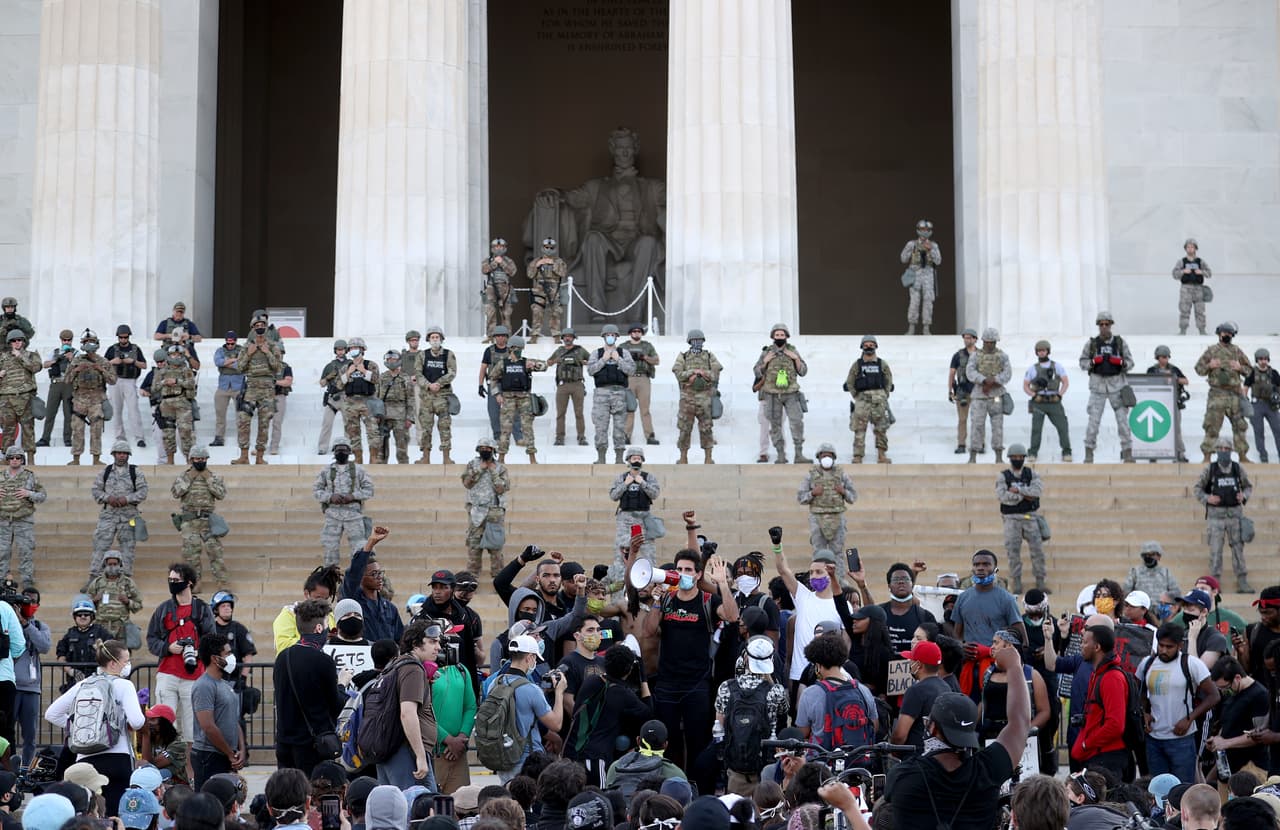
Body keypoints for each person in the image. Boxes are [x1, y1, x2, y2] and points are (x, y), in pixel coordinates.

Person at [883, 644, 1030, 830]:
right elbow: (1020, 722)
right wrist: (1015, 666)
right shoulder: (988, 771)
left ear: (932, 727)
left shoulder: (902, 776)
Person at [643, 549, 736, 772]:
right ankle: (672, 785)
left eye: (688, 570)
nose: (683, 573)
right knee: (669, 742)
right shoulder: (666, 600)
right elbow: (648, 631)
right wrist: (656, 601)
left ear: (697, 574)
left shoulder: (708, 601)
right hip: (667, 684)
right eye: (679, 569)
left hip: (697, 684)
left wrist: (723, 584)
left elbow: (732, 616)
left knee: (698, 742)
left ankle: (696, 787)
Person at [44, 639, 145, 816]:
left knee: (87, 814)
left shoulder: (83, 685)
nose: (128, 665)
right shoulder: (124, 685)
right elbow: (137, 722)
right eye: (126, 661)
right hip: (118, 758)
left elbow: (51, 714)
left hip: (85, 759)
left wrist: (77, 728)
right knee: (115, 815)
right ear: (114, 663)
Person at [1138, 622, 1218, 782]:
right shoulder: (1147, 663)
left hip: (1182, 739)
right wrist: (1144, 712)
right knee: (1158, 789)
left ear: (1180, 645)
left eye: (1169, 647)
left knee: (1183, 789)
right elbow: (1140, 692)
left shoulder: (1191, 664)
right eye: (1161, 646)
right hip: (1154, 740)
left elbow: (1214, 696)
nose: (1164, 650)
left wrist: (1189, 718)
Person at [273, 599, 347, 773]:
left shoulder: (283, 657)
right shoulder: (323, 661)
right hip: (312, 746)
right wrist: (342, 684)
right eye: (327, 625)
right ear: (319, 628)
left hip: (284, 743)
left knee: (289, 795)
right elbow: (335, 705)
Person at [146, 563, 214, 742]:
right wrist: (168, 648)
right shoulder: (163, 609)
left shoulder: (202, 609)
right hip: (167, 674)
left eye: (176, 580)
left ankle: (191, 766)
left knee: (192, 727)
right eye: (170, 580)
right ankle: (168, 762)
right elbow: (151, 639)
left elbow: (212, 640)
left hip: (194, 676)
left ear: (189, 582)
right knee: (166, 724)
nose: (172, 583)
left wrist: (196, 652)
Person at [567, 643, 651, 787]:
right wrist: (643, 680)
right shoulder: (623, 695)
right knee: (600, 801)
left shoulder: (591, 681)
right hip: (597, 758)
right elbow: (648, 713)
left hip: (573, 753)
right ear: (629, 670)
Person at [485, 634, 565, 782]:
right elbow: (556, 724)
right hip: (528, 760)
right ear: (529, 658)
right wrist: (559, 692)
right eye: (535, 658)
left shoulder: (495, 683)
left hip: (503, 757)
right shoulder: (531, 689)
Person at [715, 635, 788, 795]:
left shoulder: (726, 688)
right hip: (766, 766)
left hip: (736, 766)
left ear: (745, 658)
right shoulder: (776, 691)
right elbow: (783, 712)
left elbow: (718, 728)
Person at [376, 620, 441, 790]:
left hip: (392, 749)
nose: (438, 647)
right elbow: (407, 713)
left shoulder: (398, 664)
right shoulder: (412, 668)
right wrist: (420, 755)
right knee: (419, 808)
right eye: (432, 641)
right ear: (415, 644)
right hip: (406, 751)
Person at [952, 550, 1025, 698]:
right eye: (976, 564)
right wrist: (962, 648)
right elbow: (957, 636)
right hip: (969, 667)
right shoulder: (963, 598)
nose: (980, 568)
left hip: (997, 669)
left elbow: (1022, 639)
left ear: (995, 569)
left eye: (986, 564)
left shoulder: (1006, 599)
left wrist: (997, 653)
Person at [795, 632, 877, 751]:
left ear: (818, 665)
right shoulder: (862, 690)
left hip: (822, 761)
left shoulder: (810, 694)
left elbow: (802, 732)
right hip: (858, 759)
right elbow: (874, 725)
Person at [1193, 435, 1253, 593]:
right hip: (1216, 518)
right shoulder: (1210, 469)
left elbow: (1248, 487)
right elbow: (1197, 489)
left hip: (1235, 517)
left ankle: (1242, 581)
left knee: (1238, 551)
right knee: (1215, 551)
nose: (1223, 451)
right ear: (1216, 451)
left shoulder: (1237, 468)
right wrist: (1207, 498)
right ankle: (1214, 584)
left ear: (1231, 451)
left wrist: (1244, 496)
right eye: (1220, 449)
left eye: (1226, 449)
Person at [1072, 625, 1131, 781]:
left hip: (1106, 758)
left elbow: (1115, 725)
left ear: (1097, 647)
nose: (1081, 646)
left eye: (1084, 642)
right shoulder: (1099, 673)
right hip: (1096, 755)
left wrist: (1086, 743)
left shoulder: (1112, 678)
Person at [1079, 310, 1136, 463]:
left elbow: (1130, 362)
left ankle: (1127, 451)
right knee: (1093, 423)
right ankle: (1089, 452)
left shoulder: (1120, 343)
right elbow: (1082, 362)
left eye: (1107, 324)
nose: (1104, 327)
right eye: (1101, 324)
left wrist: (1121, 363)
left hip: (1117, 385)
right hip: (1098, 387)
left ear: (1111, 325)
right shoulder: (1091, 344)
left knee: (1123, 423)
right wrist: (1092, 362)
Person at [190, 634, 245, 789]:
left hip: (226, 755)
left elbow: (233, 720)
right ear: (215, 659)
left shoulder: (225, 684)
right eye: (227, 653)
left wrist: (240, 749)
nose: (231, 657)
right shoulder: (204, 686)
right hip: (209, 756)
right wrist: (229, 753)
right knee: (209, 806)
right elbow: (208, 726)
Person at [88, 441, 148, 580]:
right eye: (119, 453)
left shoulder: (135, 472)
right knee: (100, 546)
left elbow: (143, 491)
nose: (122, 456)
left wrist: (127, 499)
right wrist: (107, 498)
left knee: (128, 549)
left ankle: (125, 580)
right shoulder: (106, 471)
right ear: (114, 454)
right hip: (108, 515)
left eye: (124, 454)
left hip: (129, 517)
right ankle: (94, 578)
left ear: (128, 455)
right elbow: (96, 490)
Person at [979, 628, 1050, 743]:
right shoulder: (988, 673)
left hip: (1020, 739)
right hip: (991, 736)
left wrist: (1027, 730)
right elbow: (983, 703)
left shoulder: (1031, 676)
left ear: (1009, 646)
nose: (992, 647)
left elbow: (1044, 711)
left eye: (996, 642)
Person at [1195, 321, 1253, 461]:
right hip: (1217, 394)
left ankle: (1242, 455)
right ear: (1219, 334)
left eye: (1229, 333)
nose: (1227, 335)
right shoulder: (1211, 351)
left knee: (1240, 427)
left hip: (1234, 394)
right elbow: (1198, 369)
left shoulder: (1236, 351)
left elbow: (1251, 372)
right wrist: (1209, 365)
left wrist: (1241, 368)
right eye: (1224, 333)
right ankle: (1207, 456)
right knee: (1212, 426)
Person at [170, 447, 227, 587]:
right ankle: (194, 584)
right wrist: (189, 478)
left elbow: (221, 494)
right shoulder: (184, 476)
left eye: (203, 459)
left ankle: (222, 583)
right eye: (197, 459)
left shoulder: (213, 477)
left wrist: (209, 480)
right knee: (191, 555)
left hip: (208, 521)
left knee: (215, 553)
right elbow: (176, 492)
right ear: (191, 460)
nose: (200, 461)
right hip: (190, 521)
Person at [754, 323, 809, 464]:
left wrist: (795, 358)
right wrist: (765, 362)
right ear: (773, 336)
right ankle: (780, 455)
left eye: (782, 335)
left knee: (796, 422)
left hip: (791, 393)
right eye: (777, 335)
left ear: (786, 336)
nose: (779, 337)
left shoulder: (793, 351)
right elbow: (756, 371)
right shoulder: (767, 352)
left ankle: (799, 454)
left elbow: (803, 371)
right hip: (771, 394)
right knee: (775, 425)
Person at [314, 440, 374, 567]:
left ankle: (358, 577)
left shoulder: (359, 470)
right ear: (334, 452)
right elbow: (316, 490)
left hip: (353, 515)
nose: (341, 452)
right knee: (330, 549)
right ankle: (330, 577)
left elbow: (369, 490)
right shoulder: (326, 471)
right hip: (333, 515)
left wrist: (353, 496)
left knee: (359, 548)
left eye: (344, 449)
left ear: (349, 452)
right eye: (338, 449)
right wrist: (330, 497)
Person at [1207, 656, 1269, 777]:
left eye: (1225, 688)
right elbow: (1229, 724)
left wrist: (1226, 743)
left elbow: (1260, 735)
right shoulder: (1232, 692)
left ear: (1237, 678)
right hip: (1227, 767)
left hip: (1251, 769)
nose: (1223, 692)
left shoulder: (1259, 696)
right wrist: (1216, 740)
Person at [340, 526, 403, 643]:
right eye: (374, 574)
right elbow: (353, 574)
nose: (379, 577)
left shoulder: (390, 608)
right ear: (361, 578)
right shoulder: (354, 602)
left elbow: (400, 639)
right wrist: (371, 543)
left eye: (380, 573)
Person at [997, 444, 1047, 594]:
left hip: (1030, 517)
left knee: (1037, 550)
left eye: (1020, 457)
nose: (1017, 460)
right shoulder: (1003, 476)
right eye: (1015, 457)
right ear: (1010, 459)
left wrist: (1018, 490)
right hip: (1011, 518)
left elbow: (1037, 492)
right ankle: (1016, 581)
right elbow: (1003, 497)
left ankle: (1040, 580)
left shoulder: (1031, 474)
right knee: (1013, 551)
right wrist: (1025, 496)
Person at [489, 335, 546, 463]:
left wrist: (534, 364)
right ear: (510, 349)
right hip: (508, 399)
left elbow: (544, 366)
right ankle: (501, 457)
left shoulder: (525, 362)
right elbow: (492, 378)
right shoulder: (503, 363)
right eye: (516, 348)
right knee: (505, 429)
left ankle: (532, 458)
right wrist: (497, 394)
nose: (519, 350)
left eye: (521, 348)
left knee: (527, 428)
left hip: (524, 398)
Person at [65, 329, 116, 466]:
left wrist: (101, 369)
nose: (89, 344)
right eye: (86, 342)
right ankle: (76, 459)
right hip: (79, 400)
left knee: (96, 430)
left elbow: (112, 380)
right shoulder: (76, 360)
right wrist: (76, 370)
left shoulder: (103, 361)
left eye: (91, 341)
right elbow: (66, 380)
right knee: (77, 430)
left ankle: (96, 459)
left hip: (96, 400)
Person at [671, 329, 721, 464]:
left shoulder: (710, 356)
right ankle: (683, 457)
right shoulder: (683, 357)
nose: (697, 342)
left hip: (705, 397)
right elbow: (678, 373)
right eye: (694, 340)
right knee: (684, 428)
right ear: (690, 342)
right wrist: (693, 372)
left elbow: (715, 373)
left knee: (707, 428)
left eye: (699, 340)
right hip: (687, 397)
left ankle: (708, 457)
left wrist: (703, 373)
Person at [588, 325, 636, 465]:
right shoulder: (596, 353)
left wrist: (618, 359)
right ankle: (601, 457)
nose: (610, 337)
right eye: (607, 335)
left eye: (612, 335)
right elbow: (591, 370)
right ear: (603, 337)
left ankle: (619, 458)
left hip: (619, 393)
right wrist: (603, 359)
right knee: (601, 427)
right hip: (601, 393)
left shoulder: (623, 353)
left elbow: (631, 370)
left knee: (619, 428)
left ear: (616, 337)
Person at [608, 448, 659, 577]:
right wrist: (625, 484)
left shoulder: (649, 477)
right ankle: (621, 582)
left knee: (649, 555)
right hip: (625, 520)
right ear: (629, 460)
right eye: (633, 458)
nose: (636, 460)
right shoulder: (621, 477)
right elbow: (613, 496)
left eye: (639, 458)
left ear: (642, 460)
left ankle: (650, 583)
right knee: (621, 555)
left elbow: (655, 494)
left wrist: (643, 483)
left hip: (644, 519)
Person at [463, 436, 509, 576]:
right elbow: (467, 483)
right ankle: (472, 576)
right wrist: (480, 470)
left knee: (496, 546)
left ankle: (498, 576)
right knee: (474, 545)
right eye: (482, 448)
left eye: (488, 449)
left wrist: (492, 471)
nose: (485, 451)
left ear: (493, 450)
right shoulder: (472, 465)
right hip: (476, 511)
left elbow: (502, 488)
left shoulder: (500, 468)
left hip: (494, 512)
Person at [891, 640, 950, 750]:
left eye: (911, 660)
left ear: (918, 665)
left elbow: (899, 736)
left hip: (915, 758)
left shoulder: (916, 691)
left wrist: (893, 753)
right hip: (937, 755)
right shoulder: (946, 687)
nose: (909, 662)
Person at [965, 328, 1012, 464]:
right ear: (984, 341)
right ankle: (973, 455)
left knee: (997, 426)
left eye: (993, 342)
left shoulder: (1002, 356)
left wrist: (994, 380)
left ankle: (998, 456)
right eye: (988, 342)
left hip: (996, 395)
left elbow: (1007, 373)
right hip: (979, 395)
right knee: (977, 425)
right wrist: (984, 380)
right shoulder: (975, 355)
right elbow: (970, 372)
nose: (991, 345)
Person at [12, 588, 48, 767]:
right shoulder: (8, 622)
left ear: (37, 606)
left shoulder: (40, 626)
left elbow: (44, 646)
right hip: (10, 685)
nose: (28, 605)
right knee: (6, 732)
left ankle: (26, 769)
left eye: (32, 602)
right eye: (25, 601)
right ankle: (7, 768)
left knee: (30, 735)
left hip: (31, 687)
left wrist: (26, 624)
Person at [0, 446, 44, 590]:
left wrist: (28, 493)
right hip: (3, 520)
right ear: (7, 460)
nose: (14, 460)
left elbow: (42, 496)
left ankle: (27, 582)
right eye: (11, 458)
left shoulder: (30, 476)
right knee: (2, 552)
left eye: (18, 457)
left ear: (22, 459)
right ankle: (1, 581)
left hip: (23, 520)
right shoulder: (1, 476)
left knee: (26, 551)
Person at [846, 334, 894, 463]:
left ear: (876, 346)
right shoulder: (857, 364)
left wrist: (884, 395)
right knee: (859, 429)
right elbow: (850, 382)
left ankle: (881, 455)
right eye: (866, 345)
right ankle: (858, 455)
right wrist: (856, 396)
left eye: (871, 345)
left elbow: (889, 380)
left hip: (879, 401)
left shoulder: (882, 364)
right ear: (862, 347)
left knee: (881, 429)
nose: (869, 347)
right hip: (862, 401)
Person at [1022, 340, 1072, 463]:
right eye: (1039, 351)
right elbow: (1025, 385)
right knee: (1036, 428)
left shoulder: (1057, 366)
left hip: (1054, 401)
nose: (1041, 353)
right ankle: (1033, 452)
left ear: (1048, 351)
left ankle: (1067, 451)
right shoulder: (1033, 368)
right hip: (1039, 402)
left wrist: (1060, 395)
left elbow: (1065, 382)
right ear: (1036, 353)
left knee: (1062, 427)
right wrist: (1033, 395)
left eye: (1043, 350)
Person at [415, 326, 456, 464]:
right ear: (428, 339)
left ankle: (446, 457)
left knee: (444, 427)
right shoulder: (422, 355)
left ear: (441, 339)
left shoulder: (449, 354)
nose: (435, 340)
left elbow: (452, 372)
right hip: (427, 397)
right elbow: (418, 374)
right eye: (432, 337)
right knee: (426, 428)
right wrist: (428, 385)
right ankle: (425, 458)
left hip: (442, 396)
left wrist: (438, 383)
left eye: (437, 337)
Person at [0, 330, 40, 465]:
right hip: (7, 398)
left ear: (23, 341)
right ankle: (7, 458)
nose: (17, 343)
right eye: (14, 340)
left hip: (25, 397)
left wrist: (20, 357)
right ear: (9, 343)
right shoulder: (2, 357)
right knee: (8, 429)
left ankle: (31, 459)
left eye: (19, 340)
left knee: (28, 428)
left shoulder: (31, 355)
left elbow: (35, 367)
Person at [478, 326, 523, 447]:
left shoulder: (512, 350)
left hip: (510, 384)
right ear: (494, 338)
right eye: (498, 336)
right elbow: (483, 368)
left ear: (507, 337)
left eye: (503, 336)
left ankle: (518, 437)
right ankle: (497, 437)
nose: (500, 338)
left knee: (514, 412)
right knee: (494, 412)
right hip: (494, 384)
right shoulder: (489, 351)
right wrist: (480, 384)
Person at [340, 337, 382, 464]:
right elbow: (338, 384)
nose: (353, 350)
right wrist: (348, 373)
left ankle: (373, 457)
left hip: (368, 401)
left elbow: (376, 379)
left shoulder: (371, 365)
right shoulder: (346, 366)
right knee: (353, 432)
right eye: (351, 348)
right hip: (351, 402)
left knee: (373, 431)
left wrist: (363, 371)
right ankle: (358, 458)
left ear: (362, 350)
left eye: (356, 348)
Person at [1148, 344, 1192, 462]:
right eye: (1162, 356)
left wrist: (1175, 379)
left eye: (1166, 357)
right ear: (1157, 357)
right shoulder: (1152, 370)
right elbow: (1146, 382)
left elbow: (1186, 381)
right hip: (1158, 402)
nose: (1164, 359)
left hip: (1173, 402)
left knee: (1176, 430)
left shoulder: (1174, 369)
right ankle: (1154, 453)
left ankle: (1180, 453)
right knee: (1156, 430)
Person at [155, 343, 197, 464]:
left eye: (179, 354)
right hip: (166, 404)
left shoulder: (186, 370)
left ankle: (190, 461)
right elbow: (154, 388)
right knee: (168, 433)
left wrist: (177, 381)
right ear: (169, 355)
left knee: (186, 432)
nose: (176, 357)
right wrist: (164, 382)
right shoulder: (162, 371)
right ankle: (170, 461)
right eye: (173, 354)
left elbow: (190, 384)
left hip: (182, 403)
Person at [547, 329, 589, 447]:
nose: (567, 338)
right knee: (560, 413)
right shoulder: (559, 350)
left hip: (577, 384)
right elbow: (549, 362)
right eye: (565, 336)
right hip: (563, 385)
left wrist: (583, 362)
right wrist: (557, 360)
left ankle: (581, 436)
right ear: (562, 338)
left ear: (573, 338)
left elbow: (592, 360)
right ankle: (559, 437)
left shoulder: (580, 350)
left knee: (579, 412)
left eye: (570, 336)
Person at [901, 219, 942, 335]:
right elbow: (903, 258)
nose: (925, 232)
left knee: (928, 301)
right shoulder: (912, 244)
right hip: (915, 274)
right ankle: (911, 327)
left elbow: (938, 261)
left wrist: (931, 250)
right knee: (914, 301)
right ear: (918, 230)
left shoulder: (933, 245)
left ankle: (926, 327)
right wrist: (910, 251)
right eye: (923, 229)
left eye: (927, 230)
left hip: (928, 275)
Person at [37, 330, 76, 450]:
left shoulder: (76, 353)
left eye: (68, 340)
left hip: (69, 384)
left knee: (68, 413)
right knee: (50, 412)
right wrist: (56, 360)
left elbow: (80, 366)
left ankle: (68, 438)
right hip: (56, 383)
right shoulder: (55, 352)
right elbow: (45, 364)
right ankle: (45, 438)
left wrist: (71, 358)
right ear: (61, 340)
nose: (67, 342)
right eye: (64, 340)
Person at [622, 323, 660, 447]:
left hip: (643, 378)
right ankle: (626, 435)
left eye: (639, 331)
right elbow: (616, 360)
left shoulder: (647, 346)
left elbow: (656, 360)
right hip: (629, 378)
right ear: (630, 333)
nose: (636, 333)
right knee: (629, 409)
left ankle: (650, 436)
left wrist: (644, 357)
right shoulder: (624, 346)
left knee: (645, 410)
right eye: (634, 331)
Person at [137, 703, 190, 787]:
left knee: (161, 773)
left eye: (153, 719)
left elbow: (152, 765)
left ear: (165, 723)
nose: (149, 723)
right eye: (148, 719)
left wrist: (146, 735)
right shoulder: (153, 738)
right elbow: (144, 761)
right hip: (156, 782)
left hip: (177, 786)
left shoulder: (179, 744)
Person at [374, 350, 412, 464]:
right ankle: (381, 470)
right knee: (381, 448)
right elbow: (376, 397)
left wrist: (409, 418)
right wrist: (376, 414)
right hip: (384, 414)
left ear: (399, 360)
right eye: (389, 358)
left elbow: (410, 398)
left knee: (402, 447)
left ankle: (404, 469)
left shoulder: (405, 378)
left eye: (394, 358)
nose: (391, 361)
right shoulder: (382, 377)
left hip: (400, 415)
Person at [526, 237, 567, 343]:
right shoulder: (536, 261)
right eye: (546, 247)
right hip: (539, 289)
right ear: (542, 248)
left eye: (551, 247)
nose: (548, 249)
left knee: (555, 312)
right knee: (537, 312)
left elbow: (563, 273)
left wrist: (553, 264)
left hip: (553, 290)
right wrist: (537, 265)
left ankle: (556, 335)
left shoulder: (559, 261)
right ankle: (534, 335)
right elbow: (530, 275)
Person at [1180, 589, 1232, 669]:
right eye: (1184, 609)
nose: (1186, 612)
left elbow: (1198, 672)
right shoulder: (1183, 633)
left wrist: (1192, 639)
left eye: (1190, 610)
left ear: (1204, 612)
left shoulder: (1216, 638)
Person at [209, 332, 243, 449]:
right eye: (228, 343)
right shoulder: (220, 350)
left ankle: (242, 438)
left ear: (235, 341)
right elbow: (217, 362)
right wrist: (234, 360)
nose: (230, 345)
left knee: (241, 414)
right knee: (220, 414)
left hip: (238, 386)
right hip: (223, 386)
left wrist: (226, 362)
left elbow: (242, 365)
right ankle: (219, 437)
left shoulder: (241, 350)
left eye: (232, 343)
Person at [1246, 347, 1280, 462]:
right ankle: (1263, 454)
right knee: (1259, 431)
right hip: (1257, 405)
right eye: (1260, 359)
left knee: (1278, 429)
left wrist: (1277, 397)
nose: (1263, 361)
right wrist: (1246, 403)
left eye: (1265, 359)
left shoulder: (1274, 373)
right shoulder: (1252, 373)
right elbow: (1245, 387)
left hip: (1271, 405)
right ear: (1257, 360)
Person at [316, 339, 349, 455]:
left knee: (349, 424)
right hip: (332, 397)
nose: (340, 352)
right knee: (327, 423)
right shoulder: (330, 366)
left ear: (346, 350)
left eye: (342, 349)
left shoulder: (350, 364)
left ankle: (349, 446)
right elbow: (321, 383)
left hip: (346, 396)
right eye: (338, 350)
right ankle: (322, 447)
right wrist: (329, 377)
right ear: (335, 351)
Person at [481, 238, 518, 339]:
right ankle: (490, 336)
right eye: (496, 247)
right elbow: (484, 270)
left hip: (505, 289)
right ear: (492, 248)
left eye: (501, 247)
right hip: (491, 288)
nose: (498, 249)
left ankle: (507, 336)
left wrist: (502, 263)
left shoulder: (509, 261)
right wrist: (494, 263)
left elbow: (512, 272)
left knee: (506, 314)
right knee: (490, 312)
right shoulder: (487, 260)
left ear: (504, 248)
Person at [1173, 238, 1211, 335]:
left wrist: (1201, 272)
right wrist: (1183, 272)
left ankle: (1202, 330)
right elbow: (1174, 274)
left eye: (1192, 247)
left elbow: (1209, 273)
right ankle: (1183, 330)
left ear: (1195, 248)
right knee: (1184, 310)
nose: (1190, 249)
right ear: (1185, 249)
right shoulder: (1181, 261)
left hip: (1198, 289)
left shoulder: (1200, 261)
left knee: (1200, 311)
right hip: (1186, 288)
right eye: (1188, 247)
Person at [267, 355, 293, 456]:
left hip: (279, 396)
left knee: (277, 423)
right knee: (263, 424)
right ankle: (260, 447)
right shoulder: (266, 365)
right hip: (266, 396)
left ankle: (274, 447)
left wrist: (275, 382)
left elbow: (288, 382)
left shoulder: (286, 367)